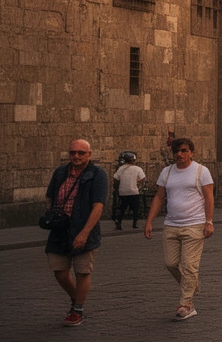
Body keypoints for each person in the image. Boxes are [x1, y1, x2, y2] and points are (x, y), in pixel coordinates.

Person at [143, 137, 214, 321]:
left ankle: (186, 304)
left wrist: (209, 221)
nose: (179, 155)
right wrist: (149, 221)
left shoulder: (201, 171)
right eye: (176, 152)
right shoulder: (167, 172)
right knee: (171, 264)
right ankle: (192, 285)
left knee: (189, 265)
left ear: (191, 152)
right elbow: (159, 197)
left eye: (183, 151)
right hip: (171, 225)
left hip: (194, 224)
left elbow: (209, 197)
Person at [46, 139, 109, 327]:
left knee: (82, 271)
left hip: (84, 228)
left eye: (81, 153)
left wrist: (84, 233)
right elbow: (50, 196)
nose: (76, 156)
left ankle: (77, 310)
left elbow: (98, 206)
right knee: (59, 270)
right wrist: (53, 214)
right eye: (73, 152)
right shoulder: (60, 172)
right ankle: (76, 298)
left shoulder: (97, 174)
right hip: (60, 230)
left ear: (89, 154)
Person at [112, 151, 145, 230]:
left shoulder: (121, 168)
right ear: (133, 160)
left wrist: (117, 187)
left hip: (123, 192)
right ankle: (134, 224)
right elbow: (143, 178)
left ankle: (119, 223)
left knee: (122, 208)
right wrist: (137, 182)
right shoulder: (137, 168)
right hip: (134, 191)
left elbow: (115, 178)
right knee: (135, 209)